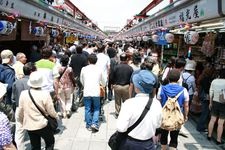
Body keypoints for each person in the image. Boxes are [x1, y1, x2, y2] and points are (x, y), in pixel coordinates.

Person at [116, 66, 162, 150]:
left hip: (129, 144)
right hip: (148, 144)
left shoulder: (129, 104)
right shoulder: (157, 104)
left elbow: (121, 128)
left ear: (136, 87)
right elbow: (158, 125)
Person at [17, 71, 58, 150]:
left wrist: (22, 121)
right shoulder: (45, 94)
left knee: (35, 145)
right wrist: (55, 116)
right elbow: (51, 110)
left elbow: (20, 110)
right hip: (42, 124)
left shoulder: (23, 94)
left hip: (29, 125)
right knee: (50, 142)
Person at [157, 69, 189, 150]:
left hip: (164, 116)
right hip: (177, 116)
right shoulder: (183, 90)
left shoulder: (162, 88)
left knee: (163, 135)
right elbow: (186, 105)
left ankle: (163, 148)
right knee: (174, 137)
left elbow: (158, 103)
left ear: (168, 78)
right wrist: (185, 116)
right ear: (178, 79)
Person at [12, 62, 36, 150]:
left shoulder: (16, 82)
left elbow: (13, 99)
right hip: (32, 108)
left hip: (19, 108)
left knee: (19, 131)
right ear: (32, 71)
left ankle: (19, 148)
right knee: (34, 130)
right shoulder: (34, 83)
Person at [80, 54, 107, 132]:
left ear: (88, 61)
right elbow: (104, 82)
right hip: (96, 91)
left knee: (87, 108)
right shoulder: (99, 69)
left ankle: (88, 124)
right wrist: (103, 85)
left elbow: (82, 80)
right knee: (96, 108)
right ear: (96, 61)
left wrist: (85, 85)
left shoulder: (84, 69)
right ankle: (94, 123)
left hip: (87, 91)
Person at [111, 53, 133, 118]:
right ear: (126, 59)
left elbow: (111, 77)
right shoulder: (130, 68)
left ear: (120, 59)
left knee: (117, 101)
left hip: (117, 86)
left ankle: (117, 113)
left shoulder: (116, 67)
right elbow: (132, 78)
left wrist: (112, 84)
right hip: (126, 86)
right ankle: (126, 113)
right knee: (127, 101)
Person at [208, 69, 225, 145]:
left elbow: (211, 93)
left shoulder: (214, 81)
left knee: (212, 120)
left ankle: (209, 135)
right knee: (220, 123)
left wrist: (210, 103)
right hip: (223, 104)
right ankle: (218, 140)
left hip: (215, 102)